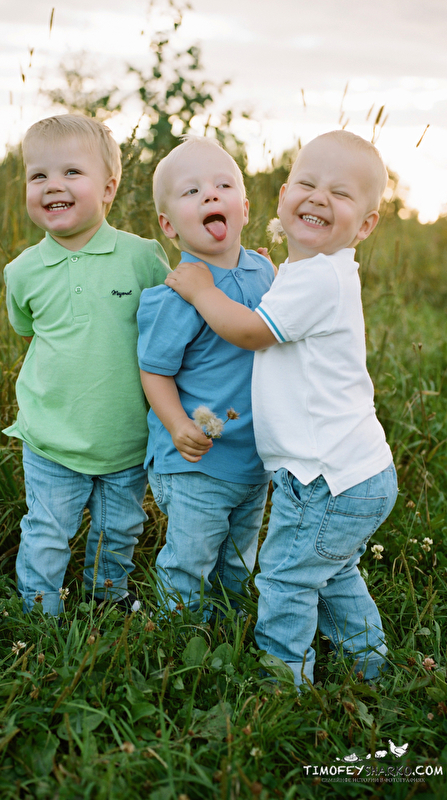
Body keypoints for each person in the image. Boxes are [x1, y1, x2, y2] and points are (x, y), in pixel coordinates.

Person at [164, 130, 398, 685]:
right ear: (282, 197)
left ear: (365, 225)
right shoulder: (309, 271)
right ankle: (370, 667)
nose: (319, 197)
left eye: (340, 193)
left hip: (323, 478)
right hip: (358, 472)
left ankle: (282, 684)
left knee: (286, 579)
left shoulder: (319, 278)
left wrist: (201, 290)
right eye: (307, 184)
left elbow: (250, 331)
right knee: (332, 572)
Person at [3, 114, 170, 616]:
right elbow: (28, 329)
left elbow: (171, 324)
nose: (53, 185)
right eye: (38, 175)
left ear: (109, 188)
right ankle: (39, 612)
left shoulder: (142, 258)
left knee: (119, 528)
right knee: (48, 529)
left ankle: (106, 596)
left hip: (124, 437)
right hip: (51, 435)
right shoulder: (23, 271)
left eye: (72, 172)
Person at [137, 137, 274, 617]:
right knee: (191, 560)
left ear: (244, 208)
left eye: (223, 186)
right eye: (192, 191)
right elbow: (154, 371)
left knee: (238, 557)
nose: (210, 195)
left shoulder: (265, 272)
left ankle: (227, 628)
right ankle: (176, 634)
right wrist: (177, 424)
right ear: (168, 225)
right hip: (196, 459)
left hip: (253, 456)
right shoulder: (177, 293)